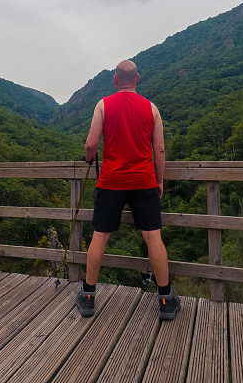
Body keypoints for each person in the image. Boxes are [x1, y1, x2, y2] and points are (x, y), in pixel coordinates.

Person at [76, 59, 180, 320]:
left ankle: (88, 296)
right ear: (138, 79)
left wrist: (89, 158)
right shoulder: (151, 108)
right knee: (153, 237)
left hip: (111, 182)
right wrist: (159, 181)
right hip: (144, 181)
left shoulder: (103, 105)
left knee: (100, 236)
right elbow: (160, 150)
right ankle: (166, 299)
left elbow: (91, 145)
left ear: (115, 80)